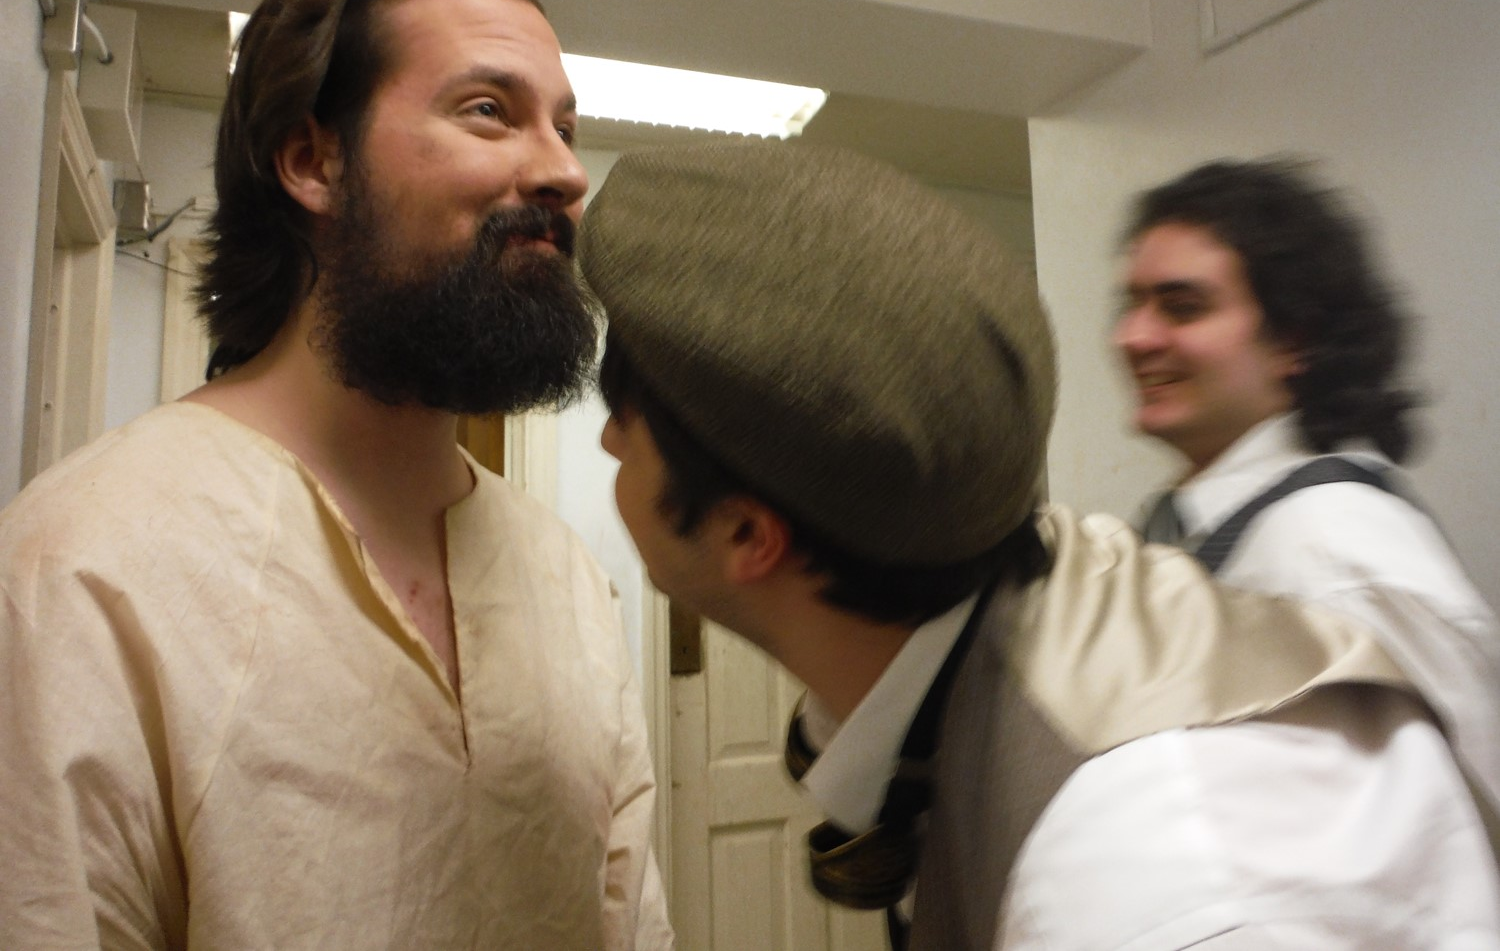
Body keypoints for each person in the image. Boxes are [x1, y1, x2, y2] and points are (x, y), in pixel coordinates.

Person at [578, 139, 1500, 950]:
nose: (609, 441)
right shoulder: (1048, 597)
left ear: (748, 534)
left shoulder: (1152, 880)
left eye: (627, 414)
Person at [0, 0, 671, 950]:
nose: (565, 172)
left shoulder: (563, 580)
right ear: (314, 160)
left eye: (566, 127)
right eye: (490, 110)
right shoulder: (85, 568)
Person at [1114, 157, 1500, 811]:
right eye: (1132, 304)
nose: (1134, 336)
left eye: (1182, 307)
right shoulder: (1185, 531)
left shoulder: (1333, 550)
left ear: (1294, 339)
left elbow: (1472, 816)